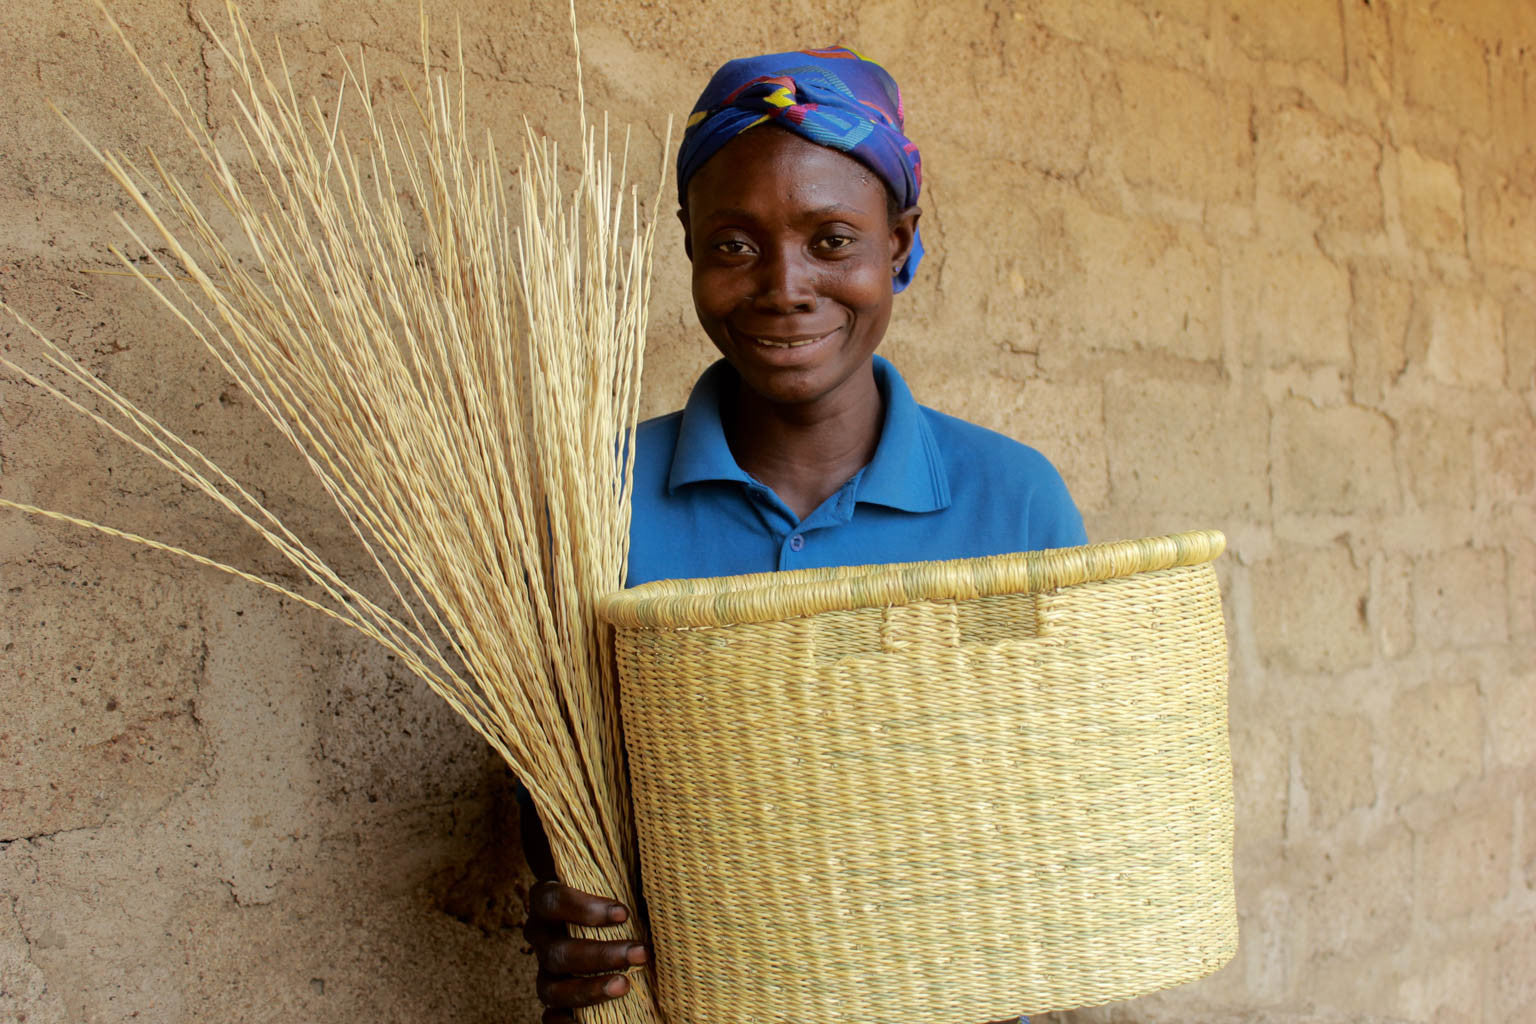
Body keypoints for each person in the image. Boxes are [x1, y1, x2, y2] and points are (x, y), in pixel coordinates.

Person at [520, 46, 1085, 1024]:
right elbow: (554, 794)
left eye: (832, 240)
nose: (785, 285)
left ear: (899, 244)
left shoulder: (1012, 503)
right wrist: (568, 912)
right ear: (689, 246)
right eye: (735, 244)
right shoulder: (597, 500)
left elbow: (1068, 799)